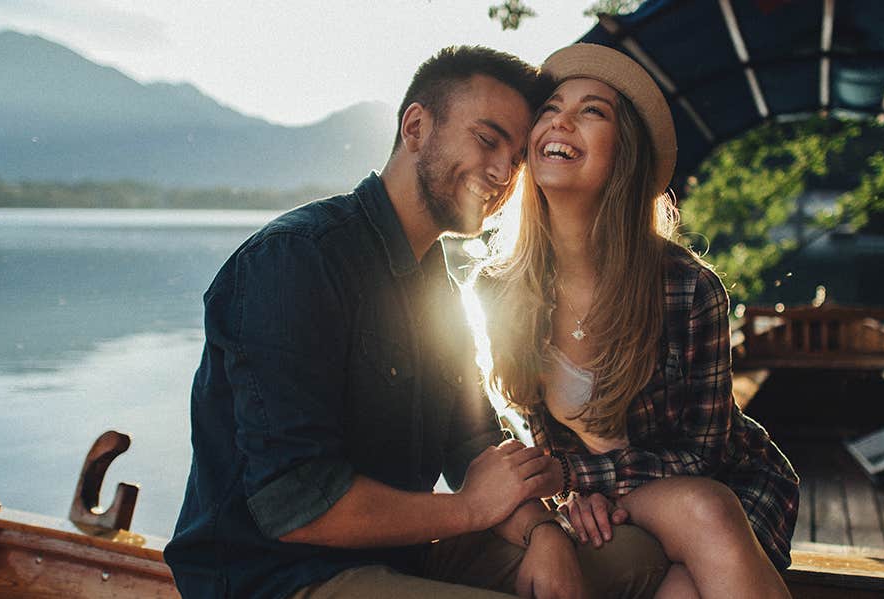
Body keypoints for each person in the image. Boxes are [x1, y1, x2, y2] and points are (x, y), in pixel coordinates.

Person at [164, 46, 669, 599]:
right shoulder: (295, 261)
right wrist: (471, 508)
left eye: (516, 157)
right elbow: (298, 504)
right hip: (273, 577)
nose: (503, 173)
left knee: (634, 556)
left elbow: (472, 443)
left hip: (399, 554)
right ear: (416, 127)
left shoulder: (436, 284)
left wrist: (542, 531)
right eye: (486, 140)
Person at [478, 43, 800, 598]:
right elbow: (524, 431)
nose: (561, 120)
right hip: (610, 498)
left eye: (592, 111)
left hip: (728, 487)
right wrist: (572, 496)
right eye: (550, 108)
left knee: (701, 520)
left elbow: (706, 455)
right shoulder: (499, 287)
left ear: (624, 152)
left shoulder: (688, 288)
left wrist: (578, 480)